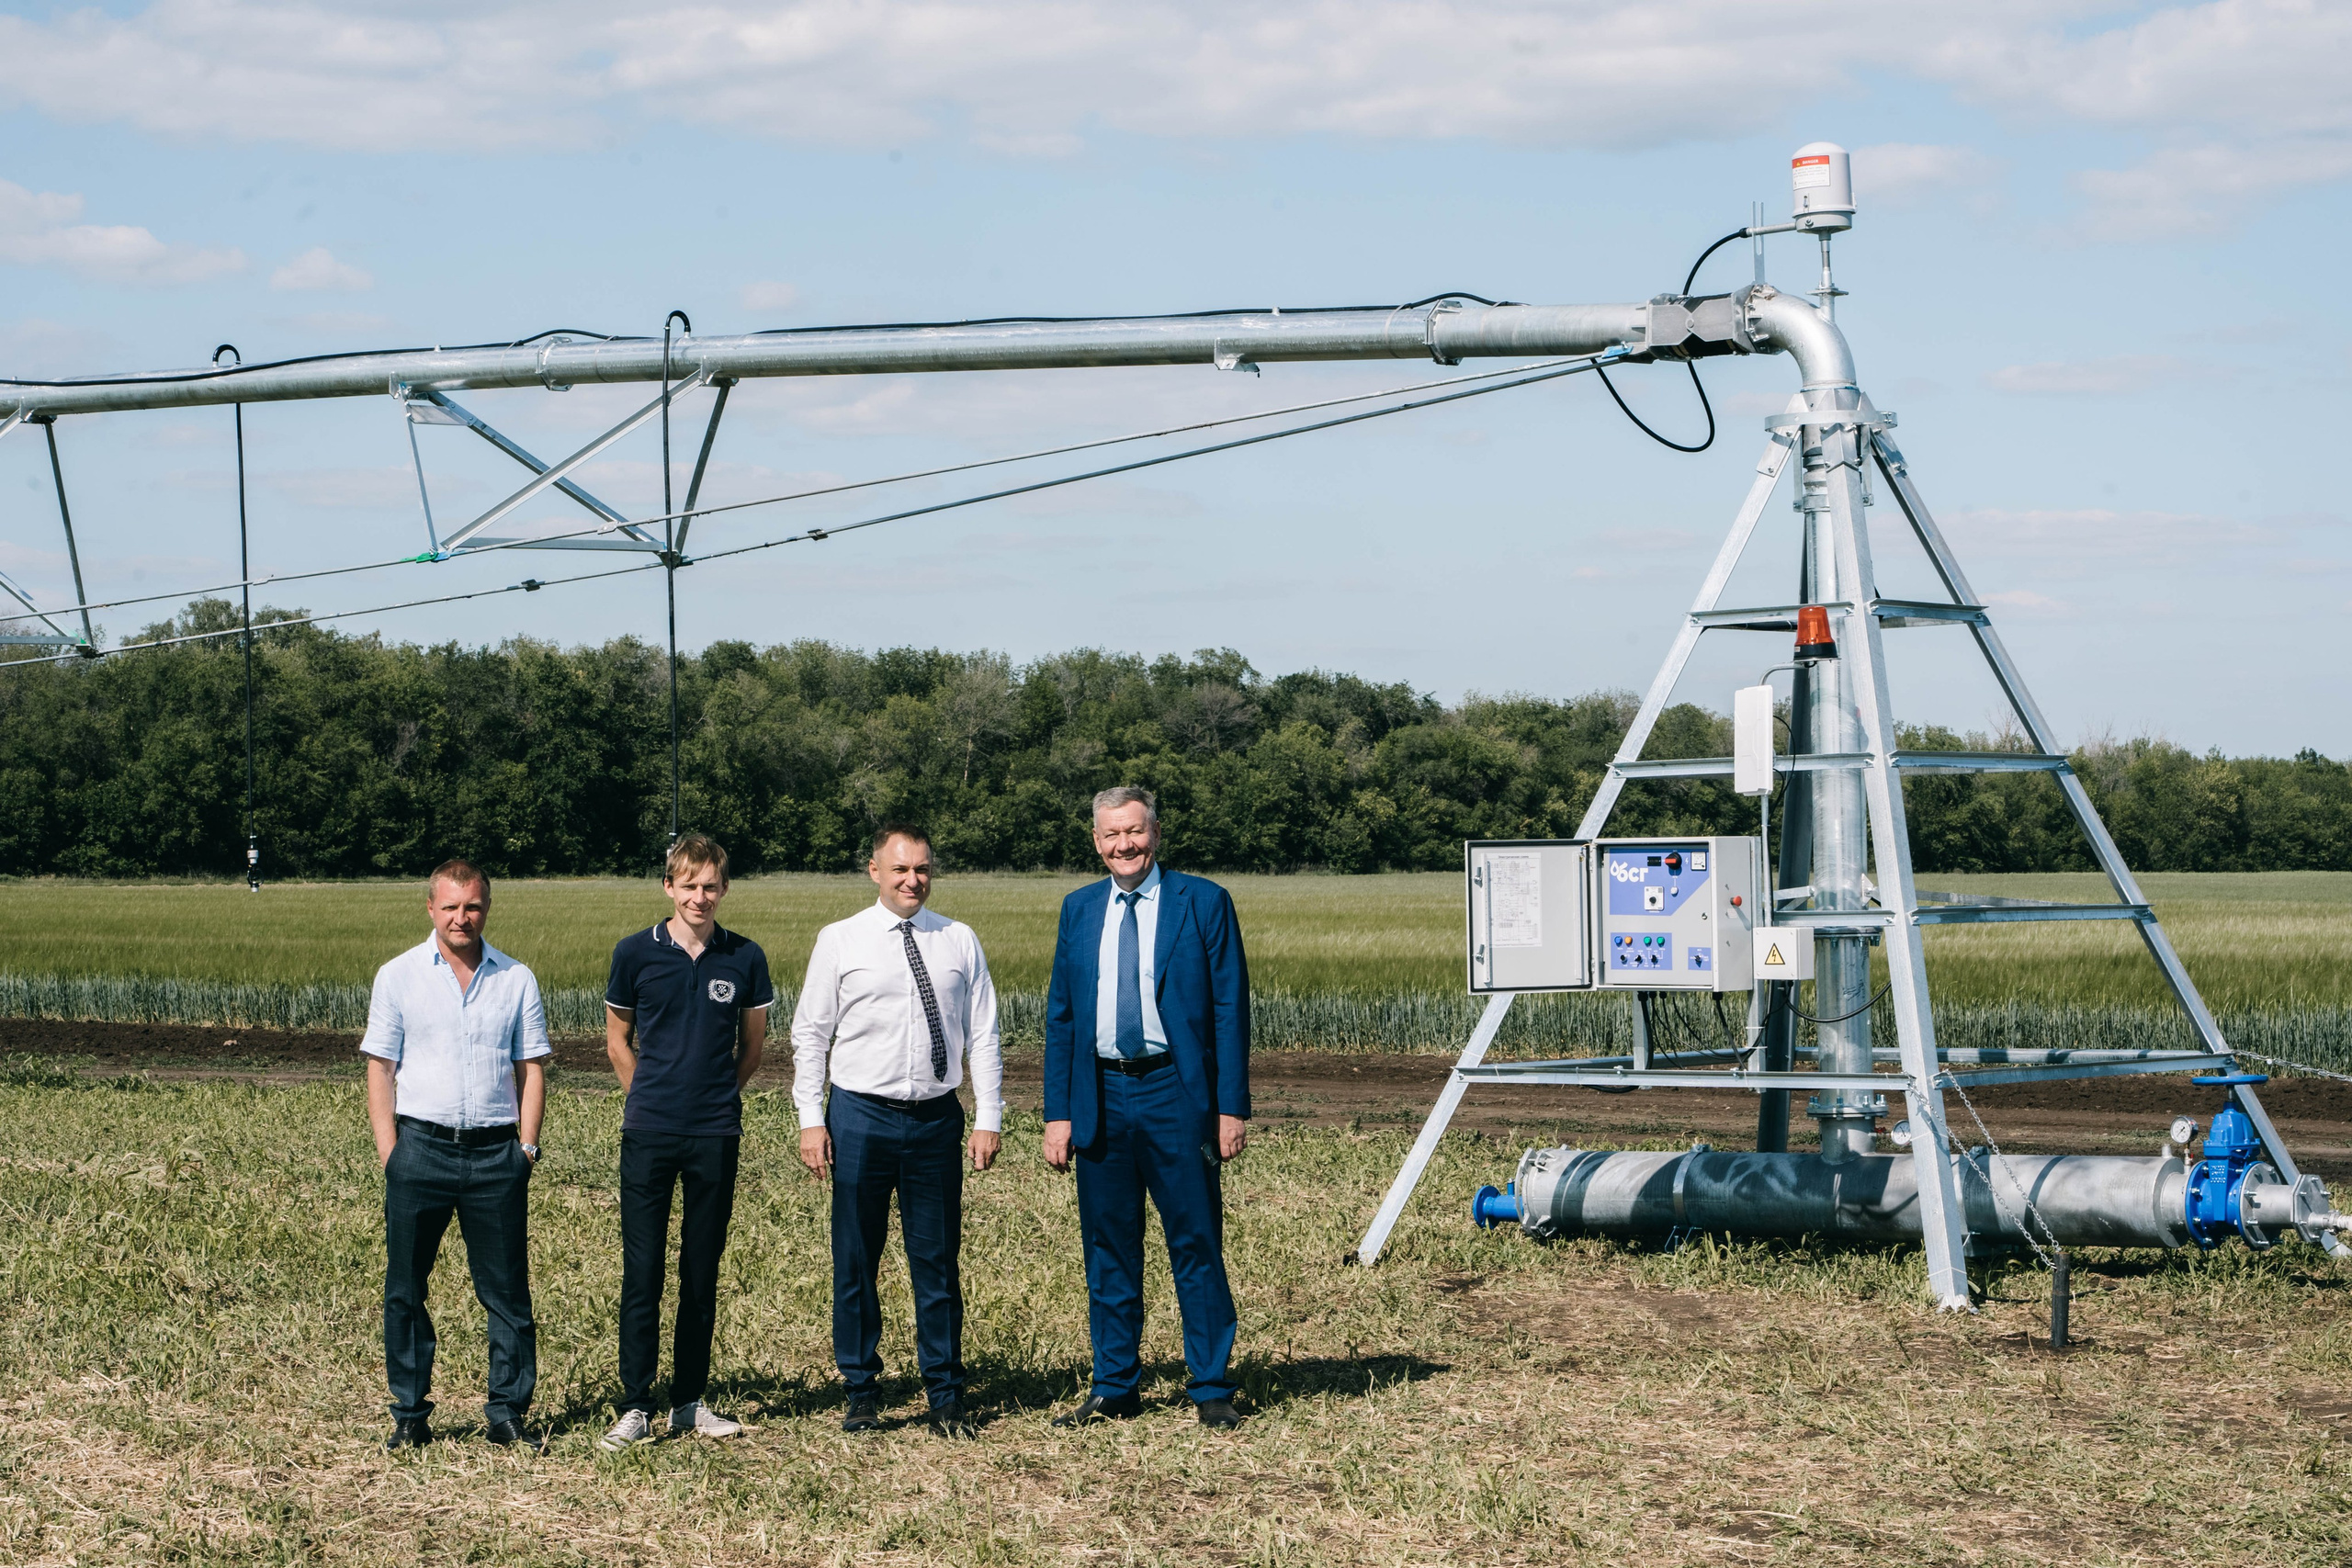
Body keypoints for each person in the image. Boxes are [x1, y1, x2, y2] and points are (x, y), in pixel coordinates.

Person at [1043, 785, 1250, 1430]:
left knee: (1195, 1240)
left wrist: (1229, 1107)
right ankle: (1115, 1385)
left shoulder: (1204, 902)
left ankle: (1210, 1383)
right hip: (1100, 1094)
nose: (1124, 845)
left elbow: (1229, 1009)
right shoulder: (1078, 910)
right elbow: (1062, 1015)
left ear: (1155, 834)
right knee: (1108, 1245)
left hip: (1176, 1093)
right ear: (1096, 842)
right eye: (1111, 835)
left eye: (1134, 831)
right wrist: (1058, 1111)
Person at [791, 822, 1005, 1438]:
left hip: (937, 1118)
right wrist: (812, 1117)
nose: (913, 879)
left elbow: (985, 1032)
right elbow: (810, 1032)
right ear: (875, 870)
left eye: (923, 869)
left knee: (936, 1261)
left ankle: (945, 1393)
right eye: (900, 868)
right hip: (859, 1114)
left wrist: (987, 1114)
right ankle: (862, 1389)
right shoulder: (841, 939)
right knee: (856, 1258)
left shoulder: (958, 939)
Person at [362, 858, 552, 1452]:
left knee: (506, 1293)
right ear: (431, 908)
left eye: (471, 905)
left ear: (486, 907)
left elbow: (532, 1069)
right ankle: (410, 1412)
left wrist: (525, 1147)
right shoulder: (397, 977)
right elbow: (380, 1069)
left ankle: (507, 1411)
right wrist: (391, 1151)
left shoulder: (516, 978)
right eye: (450, 906)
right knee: (405, 1288)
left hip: (497, 1153)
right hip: (419, 1149)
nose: (461, 916)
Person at [599, 834, 775, 1450]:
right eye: (688, 884)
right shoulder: (634, 953)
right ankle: (636, 1404)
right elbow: (619, 1038)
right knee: (642, 1269)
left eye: (711, 885)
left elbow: (752, 1046)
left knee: (700, 1269)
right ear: (668, 886)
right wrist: (644, 1094)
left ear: (724, 889)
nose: (700, 896)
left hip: (715, 1133)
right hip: (648, 1131)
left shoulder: (744, 956)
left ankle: (689, 1402)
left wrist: (715, 1096)